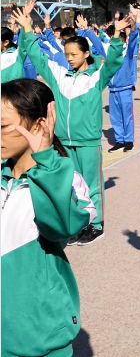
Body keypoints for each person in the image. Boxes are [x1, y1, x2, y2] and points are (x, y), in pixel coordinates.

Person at [17, 0, 127, 246]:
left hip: (87, 140)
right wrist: (26, 28)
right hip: (65, 140)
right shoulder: (59, 75)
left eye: (74, 54)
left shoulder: (96, 77)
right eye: (66, 54)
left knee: (92, 185)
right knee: (73, 185)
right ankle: (79, 224)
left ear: (86, 54)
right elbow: (38, 58)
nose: (69, 59)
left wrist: (117, 35)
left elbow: (113, 63)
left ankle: (96, 225)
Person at [1, 79, 96, 357]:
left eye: (4, 127)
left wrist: (47, 162)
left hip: (38, 335)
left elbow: (63, 227)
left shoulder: (66, 180)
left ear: (38, 125)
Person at [106, 16, 140, 152]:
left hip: (125, 88)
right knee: (115, 117)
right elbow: (96, 43)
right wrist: (86, 30)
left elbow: (133, 41)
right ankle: (120, 140)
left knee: (127, 115)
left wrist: (133, 28)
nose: (117, 43)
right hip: (112, 89)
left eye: (120, 40)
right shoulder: (111, 53)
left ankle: (129, 140)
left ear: (124, 40)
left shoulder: (128, 53)